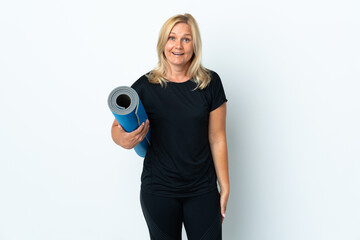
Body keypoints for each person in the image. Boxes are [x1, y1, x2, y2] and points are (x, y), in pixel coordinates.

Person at [111, 13, 229, 240]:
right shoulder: (146, 85)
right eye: (172, 38)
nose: (178, 45)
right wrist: (123, 139)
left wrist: (224, 187)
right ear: (163, 43)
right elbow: (116, 128)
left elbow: (217, 138)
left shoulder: (211, 83)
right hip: (159, 191)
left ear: (195, 45)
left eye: (186, 39)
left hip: (202, 190)